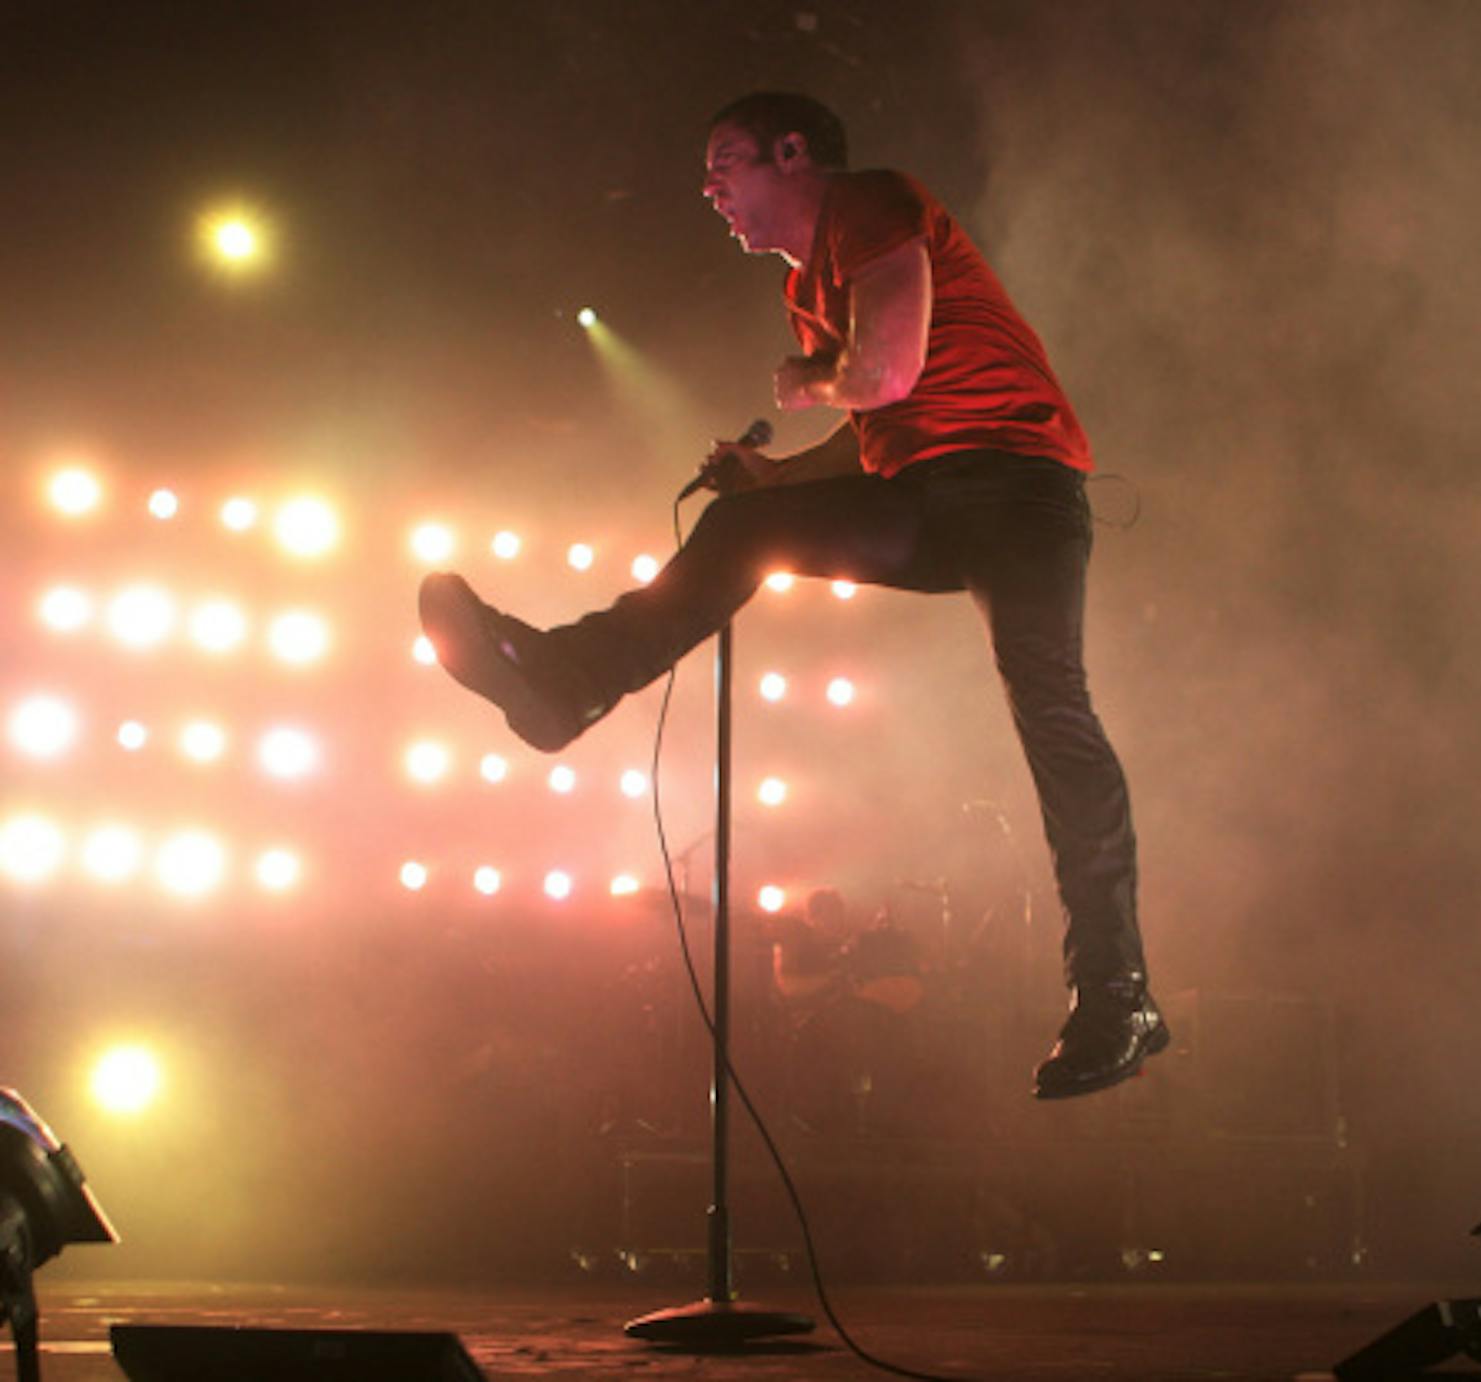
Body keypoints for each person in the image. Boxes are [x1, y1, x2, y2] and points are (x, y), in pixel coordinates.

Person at [417, 91, 1163, 1100]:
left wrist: (813, 381)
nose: (709, 188)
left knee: (1051, 707)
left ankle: (1116, 995)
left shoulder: (874, 203)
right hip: (925, 495)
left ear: (795, 152)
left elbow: (883, 375)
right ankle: (566, 683)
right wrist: (775, 478)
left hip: (1018, 490)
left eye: (726, 161)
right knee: (744, 529)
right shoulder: (808, 287)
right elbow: (876, 426)